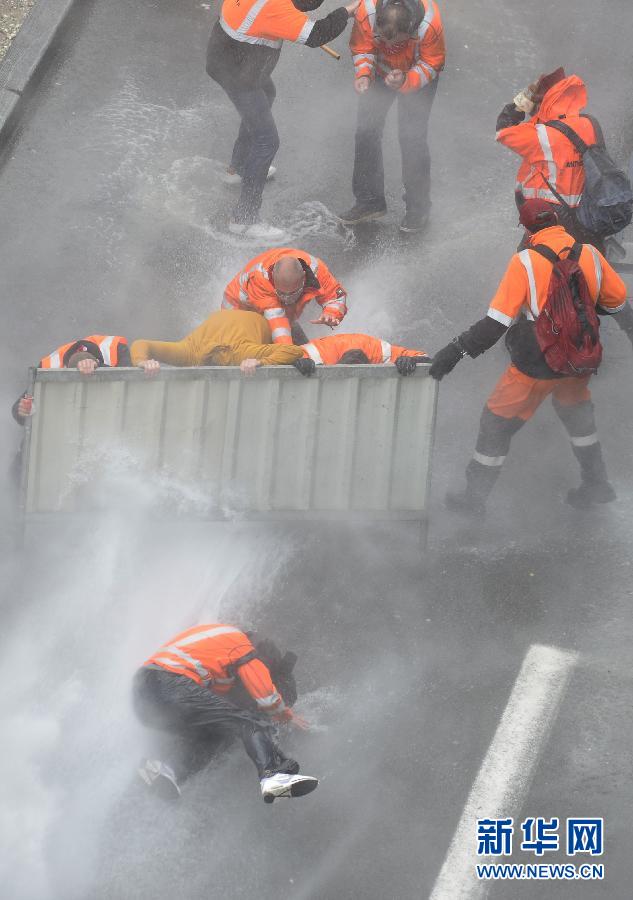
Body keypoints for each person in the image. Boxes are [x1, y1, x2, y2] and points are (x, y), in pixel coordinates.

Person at [429, 199, 628, 513]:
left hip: (538, 361)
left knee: (495, 422)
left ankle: (474, 500)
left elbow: (497, 322)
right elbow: (618, 305)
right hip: (580, 357)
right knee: (577, 414)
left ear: (526, 228)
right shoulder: (589, 253)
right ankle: (597, 483)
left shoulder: (524, 262)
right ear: (559, 222)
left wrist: (454, 351)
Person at [496, 67, 633, 345]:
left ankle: (530, 339)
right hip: (585, 216)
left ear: (544, 101)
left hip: (549, 217)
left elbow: (503, 131)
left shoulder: (541, 136)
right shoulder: (589, 124)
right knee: (585, 277)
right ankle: (588, 333)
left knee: (531, 270)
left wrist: (520, 103)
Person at [206, 0, 360, 241]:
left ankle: (238, 168)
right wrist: (347, 12)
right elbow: (317, 34)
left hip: (229, 59)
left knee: (267, 94)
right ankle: (244, 219)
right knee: (267, 141)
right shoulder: (276, 8)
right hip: (239, 73)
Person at [133, 623, 318, 803]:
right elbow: (265, 696)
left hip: (145, 696)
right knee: (248, 722)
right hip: (168, 683)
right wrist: (286, 716)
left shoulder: (216, 643)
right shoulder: (242, 646)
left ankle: (165, 771)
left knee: (215, 736)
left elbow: (223, 707)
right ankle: (273, 778)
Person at [340, 0, 445, 232]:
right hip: (378, 73)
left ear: (410, 32)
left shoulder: (429, 24)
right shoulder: (366, 11)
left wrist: (406, 81)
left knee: (412, 138)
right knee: (366, 132)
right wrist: (365, 74)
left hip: (417, 72)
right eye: (381, 40)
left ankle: (418, 208)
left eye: (395, 42)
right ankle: (369, 201)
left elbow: (432, 62)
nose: (387, 47)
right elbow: (362, 47)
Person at [222, 248, 348, 344]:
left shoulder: (317, 271)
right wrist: (289, 356)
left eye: (293, 293)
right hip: (238, 310)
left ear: (304, 277)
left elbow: (336, 296)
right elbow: (277, 323)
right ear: (273, 279)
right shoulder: (260, 279)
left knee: (299, 350)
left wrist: (331, 313)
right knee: (254, 351)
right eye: (281, 293)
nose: (287, 299)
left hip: (274, 312)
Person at [129, 309, 306, 373]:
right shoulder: (190, 351)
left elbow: (294, 351)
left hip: (261, 319)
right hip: (232, 313)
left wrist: (260, 361)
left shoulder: (239, 353)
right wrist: (142, 362)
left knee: (297, 338)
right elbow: (141, 344)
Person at [12, 335, 134, 426]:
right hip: (65, 423)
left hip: (108, 417)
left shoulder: (116, 350)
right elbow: (18, 408)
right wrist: (25, 410)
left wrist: (100, 367)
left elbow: (132, 390)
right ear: (65, 368)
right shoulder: (48, 367)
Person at [295, 331, 428, 371]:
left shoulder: (378, 352)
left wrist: (410, 360)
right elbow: (281, 358)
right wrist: (296, 364)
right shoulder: (317, 354)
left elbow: (425, 358)